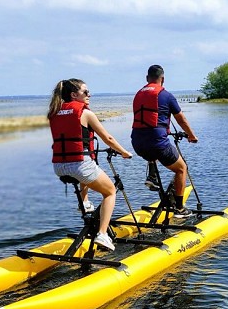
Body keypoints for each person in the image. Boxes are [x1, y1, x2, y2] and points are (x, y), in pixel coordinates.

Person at [48, 78, 133, 251]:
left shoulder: (55, 112)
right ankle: (102, 234)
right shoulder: (85, 113)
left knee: (85, 173)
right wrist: (124, 152)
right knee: (110, 192)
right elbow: (108, 138)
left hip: (59, 166)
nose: (89, 95)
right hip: (80, 165)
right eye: (86, 92)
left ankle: (85, 202)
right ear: (74, 95)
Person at [130, 65, 198, 218]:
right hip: (157, 143)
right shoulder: (166, 95)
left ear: (147, 79)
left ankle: (152, 176)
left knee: (151, 150)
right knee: (182, 168)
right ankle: (180, 209)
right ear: (163, 79)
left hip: (137, 143)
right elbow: (181, 119)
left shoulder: (138, 94)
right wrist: (191, 136)